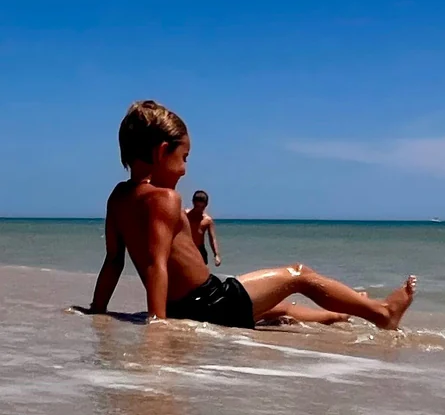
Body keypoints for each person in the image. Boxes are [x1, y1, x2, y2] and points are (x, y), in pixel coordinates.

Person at [90, 101, 416, 330]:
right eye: (184, 157)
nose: (185, 169)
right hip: (210, 302)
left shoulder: (118, 198)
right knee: (298, 274)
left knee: (277, 309)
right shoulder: (166, 199)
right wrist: (157, 323)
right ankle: (382, 313)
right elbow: (156, 263)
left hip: (192, 303)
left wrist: (98, 310)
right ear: (162, 151)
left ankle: (339, 315)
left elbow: (114, 261)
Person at [186, 190, 221, 268]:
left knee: (201, 272)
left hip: (200, 249)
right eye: (197, 206)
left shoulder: (207, 220)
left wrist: (216, 255)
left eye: (202, 207)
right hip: (186, 248)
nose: (199, 209)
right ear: (193, 203)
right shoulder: (185, 215)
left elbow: (212, 238)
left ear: (206, 205)